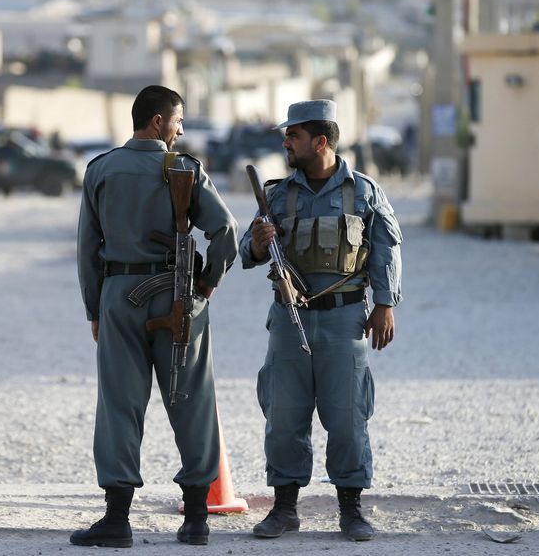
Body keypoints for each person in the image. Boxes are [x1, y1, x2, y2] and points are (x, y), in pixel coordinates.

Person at [74, 85, 239, 548]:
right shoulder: (183, 168)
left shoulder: (100, 170)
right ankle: (196, 520)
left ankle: (117, 518)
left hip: (118, 293)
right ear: (158, 122)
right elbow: (225, 229)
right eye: (179, 122)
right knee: (191, 399)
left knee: (120, 403)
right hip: (179, 295)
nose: (181, 130)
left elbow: (87, 249)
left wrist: (94, 308)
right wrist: (208, 283)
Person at [239, 100, 403, 542]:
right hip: (289, 320)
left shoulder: (364, 192)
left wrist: (385, 304)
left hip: (345, 320)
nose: (286, 142)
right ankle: (284, 508)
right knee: (284, 413)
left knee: (348, 416)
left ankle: (351, 509)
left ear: (321, 141)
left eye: (293, 135)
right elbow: (246, 254)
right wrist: (256, 243)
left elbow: (387, 248)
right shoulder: (276, 194)